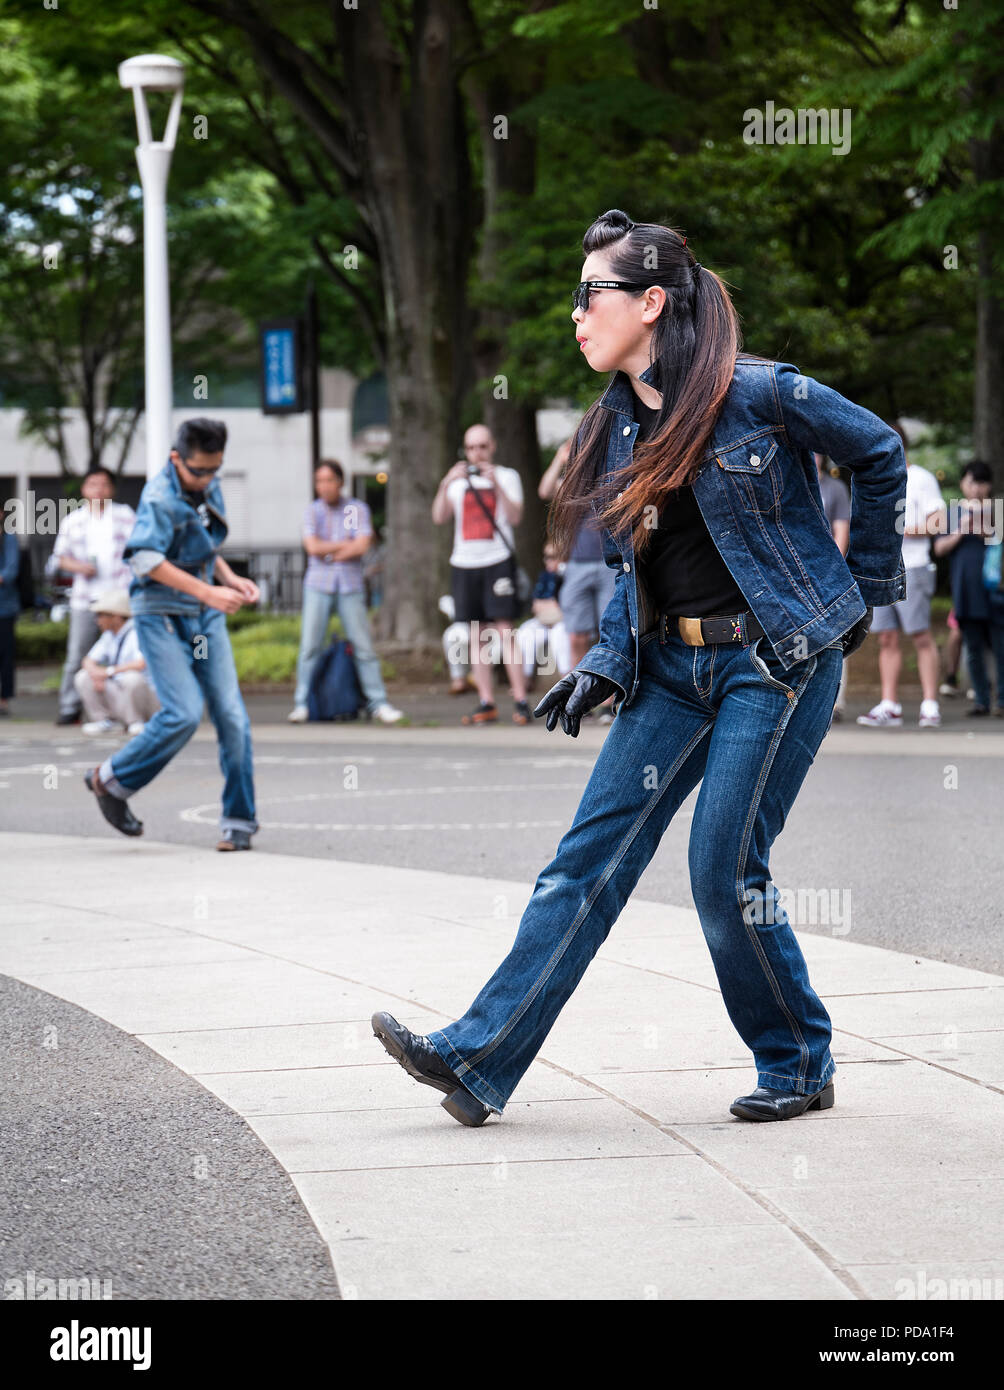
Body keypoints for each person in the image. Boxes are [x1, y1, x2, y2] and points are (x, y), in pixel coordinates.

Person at [371, 208, 905, 1128]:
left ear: (652, 302)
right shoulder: (611, 429)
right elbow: (632, 570)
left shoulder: (760, 393)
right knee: (582, 864)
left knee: (723, 866)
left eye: (592, 295)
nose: (576, 314)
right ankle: (478, 1054)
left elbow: (880, 453)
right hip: (669, 672)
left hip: (771, 664)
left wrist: (859, 590)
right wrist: (607, 661)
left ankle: (797, 1058)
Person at [83, 418, 260, 851]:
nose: (207, 479)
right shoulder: (159, 496)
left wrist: (228, 577)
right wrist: (208, 592)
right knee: (182, 713)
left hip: (203, 616)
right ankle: (110, 780)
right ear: (175, 458)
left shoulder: (206, 483)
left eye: (215, 470)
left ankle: (239, 820)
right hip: (160, 614)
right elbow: (144, 557)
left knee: (232, 717)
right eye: (199, 471)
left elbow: (202, 543)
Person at [288, 461, 402, 724]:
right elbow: (313, 547)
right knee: (310, 647)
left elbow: (361, 544)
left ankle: (378, 703)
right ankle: (302, 703)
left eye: (329, 480)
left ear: (340, 481)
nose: (324, 486)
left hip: (350, 584)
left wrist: (330, 550)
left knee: (363, 647)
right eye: (319, 481)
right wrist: (342, 547)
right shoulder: (313, 511)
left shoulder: (354, 509)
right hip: (317, 585)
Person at [432, 424, 530, 725]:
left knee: (504, 628)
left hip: (497, 560)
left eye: (482, 446)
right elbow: (439, 517)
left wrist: (496, 486)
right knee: (476, 633)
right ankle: (486, 700)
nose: (477, 453)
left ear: (493, 446)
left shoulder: (507, 476)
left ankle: (521, 699)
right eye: (471, 447)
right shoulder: (458, 482)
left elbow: (516, 517)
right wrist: (446, 483)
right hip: (465, 562)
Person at [856, 423, 946, 728]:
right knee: (887, 638)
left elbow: (938, 523)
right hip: (882, 570)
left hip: (915, 566)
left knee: (920, 634)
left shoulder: (921, 478)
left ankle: (930, 704)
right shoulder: (877, 479)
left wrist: (903, 531)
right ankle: (889, 704)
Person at [539, 436, 617, 719]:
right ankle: (577, 698)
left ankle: (608, 703)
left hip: (607, 563)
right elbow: (544, 490)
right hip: (575, 564)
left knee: (607, 634)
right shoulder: (570, 486)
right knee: (576, 636)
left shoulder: (606, 477)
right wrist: (559, 461)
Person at [51, 467, 136, 725]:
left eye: (103, 484)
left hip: (120, 599)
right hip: (86, 598)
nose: (98, 489)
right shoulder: (73, 520)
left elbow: (139, 550)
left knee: (126, 654)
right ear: (84, 489)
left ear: (111, 489)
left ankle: (122, 710)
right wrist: (80, 567)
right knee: (78, 654)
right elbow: (59, 558)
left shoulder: (124, 515)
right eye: (93, 484)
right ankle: (70, 708)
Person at [932, 461, 1004, 716]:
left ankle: (1001, 701)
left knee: (999, 644)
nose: (977, 489)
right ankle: (982, 700)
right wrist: (960, 531)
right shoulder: (952, 513)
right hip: (965, 589)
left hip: (996, 589)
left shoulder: (997, 510)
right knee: (972, 646)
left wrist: (986, 529)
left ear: (989, 485)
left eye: (982, 482)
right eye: (972, 482)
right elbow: (939, 549)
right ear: (963, 483)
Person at [73, 590, 159, 735]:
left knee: (132, 678)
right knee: (83, 677)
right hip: (120, 692)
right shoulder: (109, 635)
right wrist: (95, 674)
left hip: (146, 697)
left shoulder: (137, 632)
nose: (97, 620)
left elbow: (141, 663)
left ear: (116, 617)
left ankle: (137, 721)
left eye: (101, 615)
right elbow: (88, 660)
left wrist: (107, 672)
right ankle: (104, 721)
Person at [814, 452, 852, 721]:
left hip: (826, 571)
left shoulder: (834, 487)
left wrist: (832, 569)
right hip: (795, 571)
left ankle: (836, 700)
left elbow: (842, 530)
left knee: (835, 634)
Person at [516, 544, 571, 690]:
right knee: (525, 631)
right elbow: (536, 605)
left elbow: (565, 605)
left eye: (552, 557)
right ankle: (524, 680)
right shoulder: (544, 576)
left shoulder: (568, 575)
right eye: (546, 557)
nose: (547, 561)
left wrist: (551, 606)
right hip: (543, 621)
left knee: (559, 635)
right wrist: (551, 605)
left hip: (564, 621)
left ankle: (566, 681)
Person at [0, 529, 20, 715]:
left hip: (4, 607)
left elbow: (11, 571)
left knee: (5, 655)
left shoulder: (8, 539)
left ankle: (4, 698)